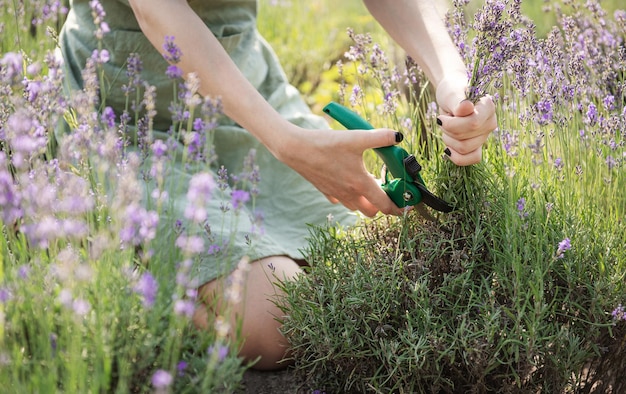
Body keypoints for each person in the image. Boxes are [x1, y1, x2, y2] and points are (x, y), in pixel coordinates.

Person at [59, 0, 497, 370]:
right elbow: (157, 11)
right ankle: (98, 271)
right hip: (128, 111)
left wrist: (451, 77)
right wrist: (289, 144)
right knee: (278, 325)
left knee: (385, 254)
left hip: (244, 89)